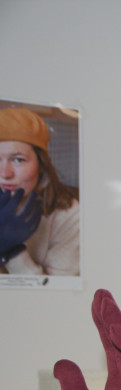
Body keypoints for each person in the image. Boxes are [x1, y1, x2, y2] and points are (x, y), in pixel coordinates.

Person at [0, 106, 80, 275]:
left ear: (41, 165)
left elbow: (59, 297)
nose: (5, 173)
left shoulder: (68, 215)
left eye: (18, 160)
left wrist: (13, 251)